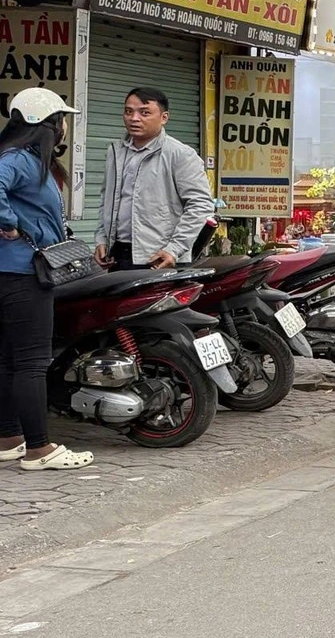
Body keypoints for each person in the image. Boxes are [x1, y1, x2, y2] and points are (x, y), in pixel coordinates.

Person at [0, 88, 92, 471]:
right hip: (24, 275)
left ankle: (8, 439)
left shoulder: (24, 159)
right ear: (48, 123)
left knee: (9, 360)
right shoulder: (19, 160)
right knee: (32, 362)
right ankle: (39, 449)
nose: (65, 126)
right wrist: (10, 223)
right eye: (62, 119)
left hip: (12, 273)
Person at [94, 86, 212, 269]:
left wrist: (174, 249)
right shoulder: (115, 152)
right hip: (118, 254)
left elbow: (201, 204)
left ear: (164, 117)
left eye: (144, 113)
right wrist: (101, 239)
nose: (134, 118)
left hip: (159, 257)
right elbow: (106, 201)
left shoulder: (180, 154)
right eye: (128, 111)